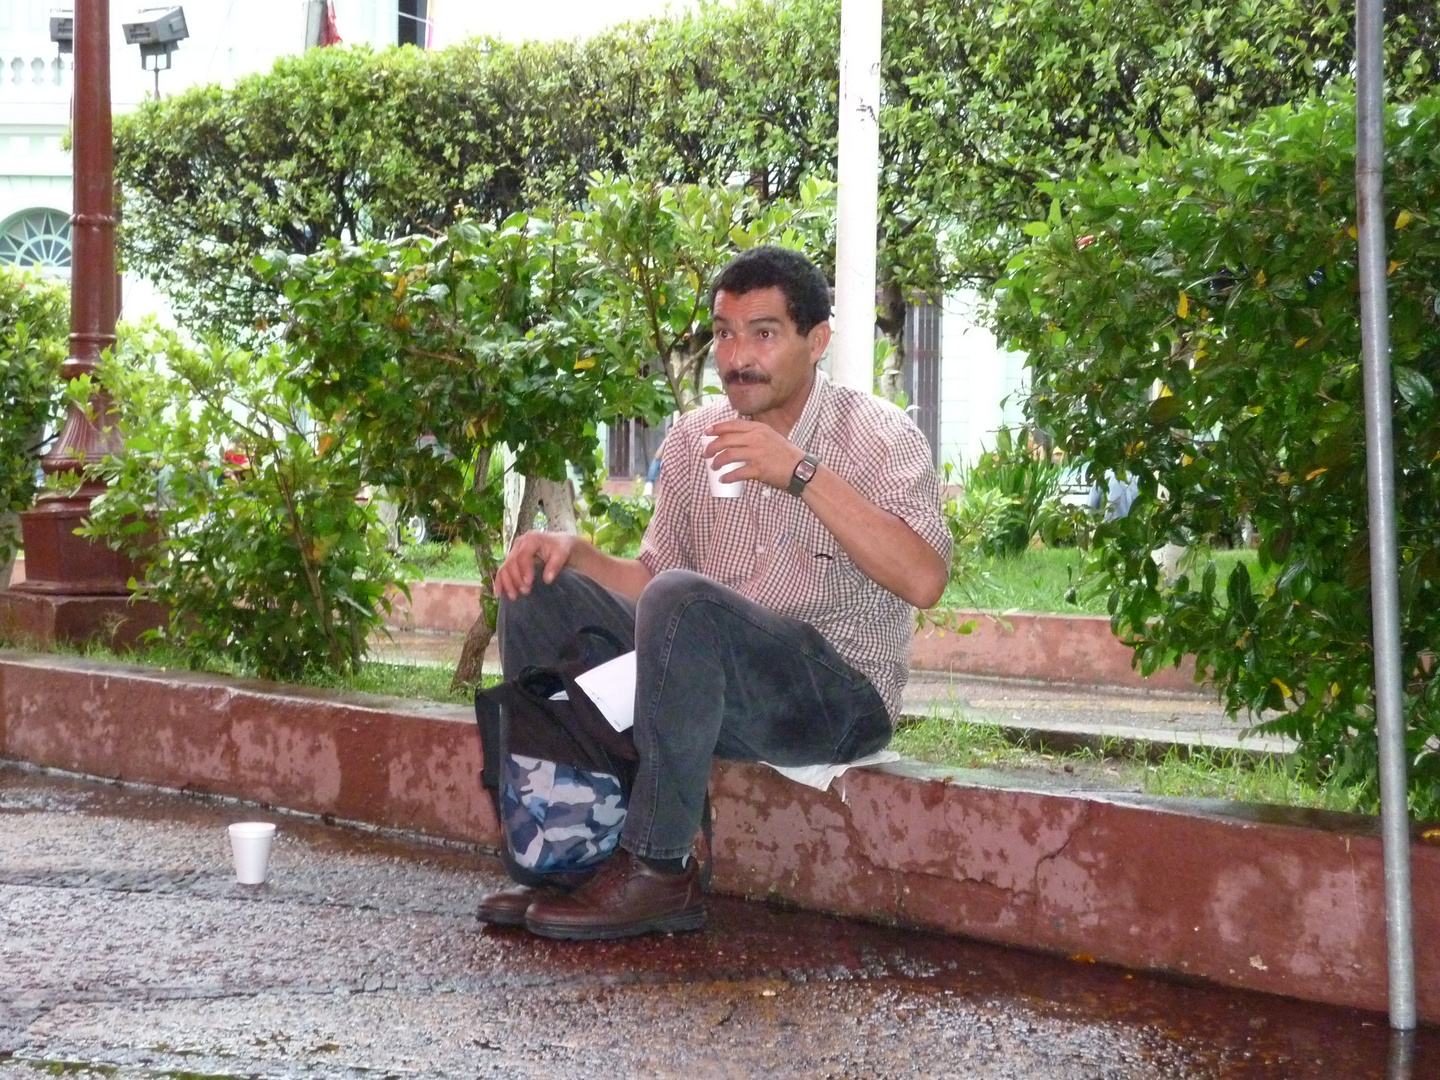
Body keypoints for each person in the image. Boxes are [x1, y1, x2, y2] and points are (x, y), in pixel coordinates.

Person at [483, 246, 951, 940]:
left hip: (835, 698)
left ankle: (658, 867)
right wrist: (577, 556)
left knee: (686, 603)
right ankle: (570, 854)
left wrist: (800, 473)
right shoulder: (698, 436)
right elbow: (653, 587)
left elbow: (924, 579)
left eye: (762, 333)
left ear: (816, 341)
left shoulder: (878, 437)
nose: (736, 356)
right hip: (704, 686)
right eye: (725, 333)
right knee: (539, 589)